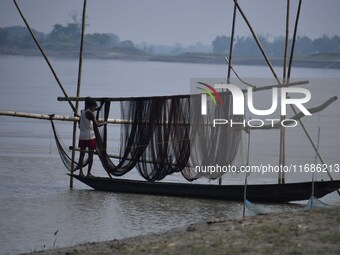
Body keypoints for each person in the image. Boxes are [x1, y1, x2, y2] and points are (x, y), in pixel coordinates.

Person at [77, 97, 106, 177]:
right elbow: (96, 124)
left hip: (82, 136)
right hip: (90, 136)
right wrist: (104, 123)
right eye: (94, 107)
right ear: (90, 106)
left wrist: (97, 109)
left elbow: (89, 113)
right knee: (91, 155)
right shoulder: (91, 113)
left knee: (81, 155)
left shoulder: (82, 111)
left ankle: (80, 172)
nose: (94, 109)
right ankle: (88, 173)